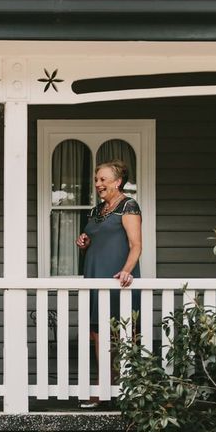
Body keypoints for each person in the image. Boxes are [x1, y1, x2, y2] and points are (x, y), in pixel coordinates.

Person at [75, 159, 142, 408]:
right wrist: (84, 244)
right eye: (96, 179)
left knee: (123, 333)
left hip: (117, 279)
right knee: (98, 333)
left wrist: (126, 271)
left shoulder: (129, 206)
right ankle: (103, 386)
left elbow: (136, 245)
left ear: (118, 181)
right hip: (94, 276)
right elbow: (95, 244)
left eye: (103, 179)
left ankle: (130, 390)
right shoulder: (96, 211)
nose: (98, 184)